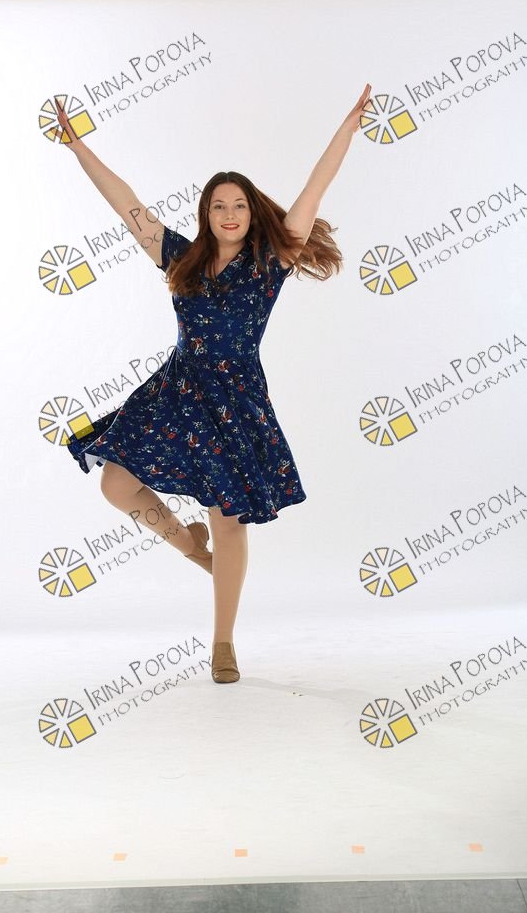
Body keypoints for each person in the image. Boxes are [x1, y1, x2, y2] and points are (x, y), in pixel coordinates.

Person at [55, 85, 372, 684]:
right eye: (219, 205)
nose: (229, 214)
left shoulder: (270, 264)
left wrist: (348, 127)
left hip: (236, 399)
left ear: (252, 214)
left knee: (230, 519)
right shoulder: (181, 258)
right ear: (206, 214)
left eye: (239, 206)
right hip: (177, 389)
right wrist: (78, 147)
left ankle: (222, 643)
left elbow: (314, 188)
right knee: (116, 484)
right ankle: (191, 548)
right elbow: (128, 205)